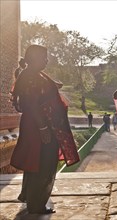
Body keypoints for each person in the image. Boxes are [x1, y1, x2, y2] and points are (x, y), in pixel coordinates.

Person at [10, 45, 80, 214]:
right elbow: (32, 104)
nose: (47, 60)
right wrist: (42, 127)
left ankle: (32, 198)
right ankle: (37, 204)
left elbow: (42, 92)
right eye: (44, 57)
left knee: (37, 161)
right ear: (34, 58)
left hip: (39, 124)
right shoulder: (30, 77)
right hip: (38, 125)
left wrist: (52, 85)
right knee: (42, 162)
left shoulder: (34, 75)